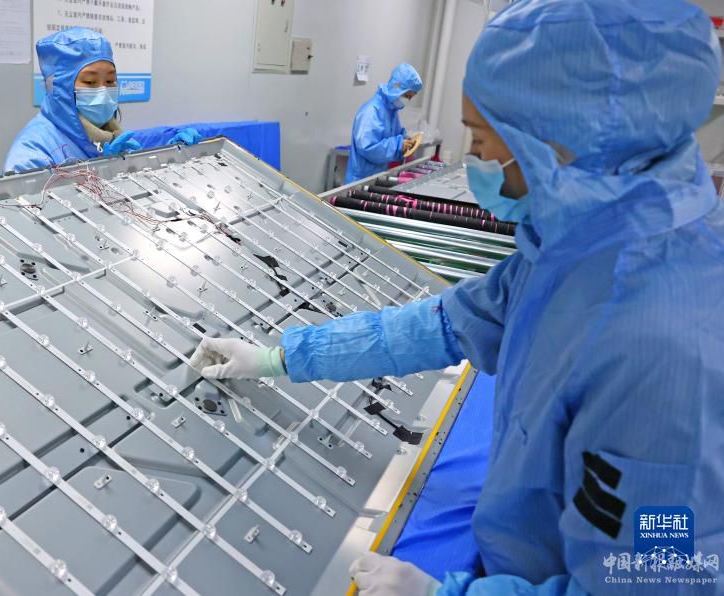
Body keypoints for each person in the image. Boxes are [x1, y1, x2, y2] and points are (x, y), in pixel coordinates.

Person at [191, 0, 724, 593]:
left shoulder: (662, 346)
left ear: (565, 141)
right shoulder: (578, 250)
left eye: (482, 138)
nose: (475, 160)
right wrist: (279, 357)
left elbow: (659, 579)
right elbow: (442, 324)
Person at [5, 27, 200, 173]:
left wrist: (170, 158)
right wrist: (105, 171)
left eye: (110, 81)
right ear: (60, 89)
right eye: (90, 82)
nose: (103, 91)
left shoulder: (108, 132)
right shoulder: (32, 153)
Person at [344, 63, 422, 184]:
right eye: (407, 95)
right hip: (360, 180)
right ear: (396, 88)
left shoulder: (391, 111)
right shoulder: (371, 111)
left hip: (377, 177)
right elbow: (367, 148)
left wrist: (407, 141)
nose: (407, 100)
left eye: (410, 97)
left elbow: (395, 134)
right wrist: (398, 145)